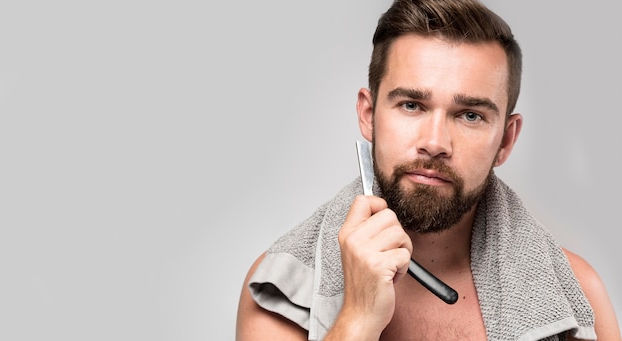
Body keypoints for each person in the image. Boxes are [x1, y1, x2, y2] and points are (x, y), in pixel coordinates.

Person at [236, 0, 621, 340]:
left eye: (470, 115)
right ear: (369, 116)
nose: (435, 142)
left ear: (505, 139)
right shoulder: (282, 291)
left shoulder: (577, 292)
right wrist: (356, 321)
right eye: (411, 105)